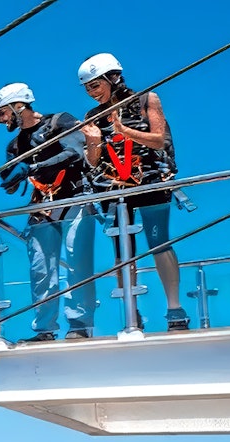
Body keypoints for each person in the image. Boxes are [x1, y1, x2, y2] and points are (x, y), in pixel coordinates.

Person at [78, 53, 190, 332]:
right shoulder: (92, 117)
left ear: (112, 78)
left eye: (95, 85)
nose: (92, 93)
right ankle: (132, 313)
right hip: (116, 188)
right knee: (121, 251)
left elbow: (159, 139)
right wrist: (92, 143)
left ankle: (175, 310)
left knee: (158, 242)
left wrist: (123, 130)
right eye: (87, 88)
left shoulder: (146, 99)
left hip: (150, 179)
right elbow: (92, 161)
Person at [0, 82, 96, 342]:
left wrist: (32, 167)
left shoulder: (59, 122)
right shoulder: (15, 146)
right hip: (42, 206)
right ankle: (44, 329)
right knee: (41, 269)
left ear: (19, 106)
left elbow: (75, 152)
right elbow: (15, 181)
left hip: (74, 197)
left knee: (77, 263)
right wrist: (11, 179)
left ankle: (79, 326)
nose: (0, 119)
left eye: (2, 112)